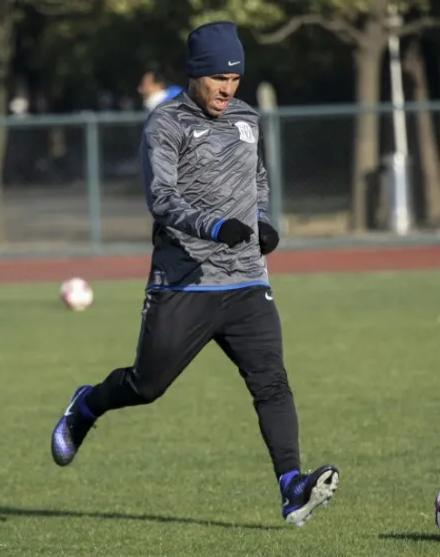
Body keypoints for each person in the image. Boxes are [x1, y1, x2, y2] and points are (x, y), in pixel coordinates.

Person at [50, 21, 339, 527]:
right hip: (184, 284)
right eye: (218, 78)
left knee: (272, 383)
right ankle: (87, 406)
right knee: (146, 386)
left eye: (235, 79)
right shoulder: (166, 123)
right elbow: (161, 198)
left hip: (247, 280)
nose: (228, 89)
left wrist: (263, 223)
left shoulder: (247, 118)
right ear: (195, 74)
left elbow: (258, 180)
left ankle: (292, 487)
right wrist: (214, 226)